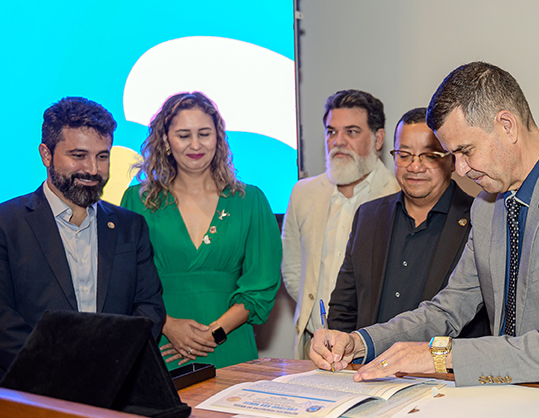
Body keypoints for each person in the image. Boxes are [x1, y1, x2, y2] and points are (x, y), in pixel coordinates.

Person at [310, 62, 539, 405]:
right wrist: (361, 342)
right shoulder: (487, 205)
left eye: (465, 151)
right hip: (523, 405)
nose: (460, 169)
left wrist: (440, 356)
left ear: (507, 126)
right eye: (453, 155)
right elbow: (448, 309)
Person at [0, 97, 165, 380]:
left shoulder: (130, 226)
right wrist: (67, 372)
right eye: (78, 155)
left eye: (102, 156)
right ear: (46, 155)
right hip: (31, 390)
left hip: (114, 387)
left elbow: (149, 308)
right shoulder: (7, 224)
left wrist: (111, 367)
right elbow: (3, 321)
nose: (92, 169)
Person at [121, 92, 281, 369]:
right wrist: (167, 325)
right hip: (162, 346)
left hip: (230, 345)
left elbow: (262, 284)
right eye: (184, 135)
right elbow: (125, 283)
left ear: (218, 138)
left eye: (204, 134)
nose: (195, 145)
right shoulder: (137, 201)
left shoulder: (250, 201)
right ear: (165, 141)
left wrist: (214, 334)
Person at [328, 107, 489, 338]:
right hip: (368, 359)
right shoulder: (368, 216)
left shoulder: (480, 220)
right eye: (404, 155)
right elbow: (344, 309)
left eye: (430, 156)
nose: (415, 167)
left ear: (452, 161)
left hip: (442, 361)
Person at [282, 89, 399, 359]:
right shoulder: (303, 193)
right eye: (331, 132)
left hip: (376, 351)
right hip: (314, 349)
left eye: (352, 132)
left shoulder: (398, 194)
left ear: (378, 138)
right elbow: (293, 271)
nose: (338, 141)